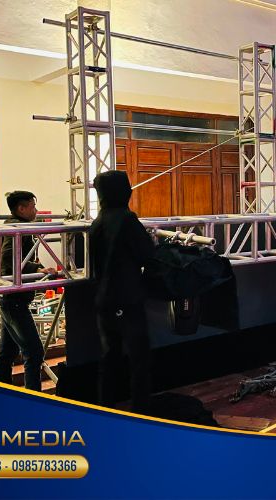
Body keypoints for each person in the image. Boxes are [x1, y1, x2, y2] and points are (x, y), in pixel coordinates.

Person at [89, 170, 155, 413]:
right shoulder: (126, 219)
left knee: (109, 359)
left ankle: (105, 409)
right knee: (139, 361)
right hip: (128, 300)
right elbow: (146, 254)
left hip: (103, 300)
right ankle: (141, 413)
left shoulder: (97, 222)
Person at [0, 190, 56, 391]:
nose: (36, 210)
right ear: (21, 209)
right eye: (32, 206)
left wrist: (36, 268)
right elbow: (10, 261)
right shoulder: (16, 229)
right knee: (34, 352)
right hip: (14, 301)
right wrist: (37, 269)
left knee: (7, 352)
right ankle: (32, 397)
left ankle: (1, 392)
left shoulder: (16, 226)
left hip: (11, 299)